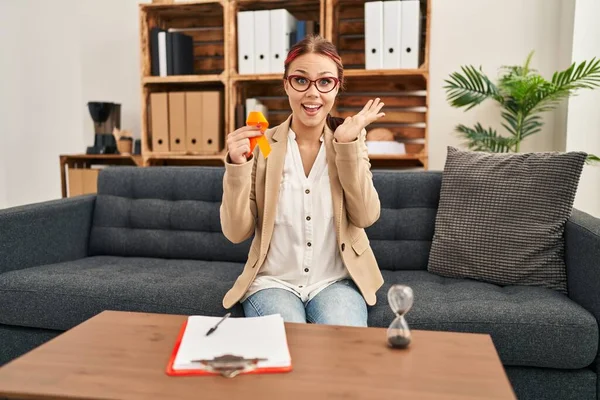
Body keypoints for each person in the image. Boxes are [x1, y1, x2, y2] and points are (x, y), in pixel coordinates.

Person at [220, 34, 385, 327]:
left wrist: (347, 148)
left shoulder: (350, 140)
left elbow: (366, 216)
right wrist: (237, 166)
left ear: (337, 87)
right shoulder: (262, 145)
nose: (313, 93)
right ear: (286, 84)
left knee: (343, 348)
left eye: (324, 82)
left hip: (336, 282)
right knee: (286, 345)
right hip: (273, 283)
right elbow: (236, 233)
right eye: (301, 80)